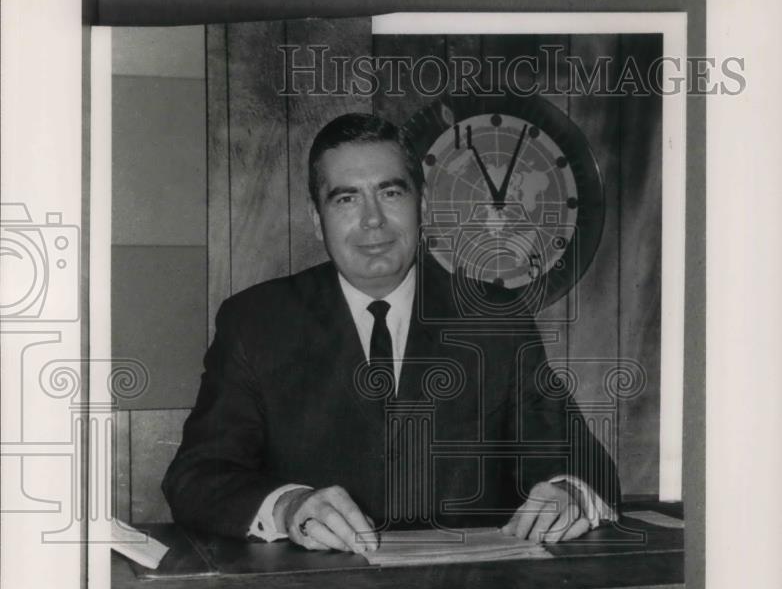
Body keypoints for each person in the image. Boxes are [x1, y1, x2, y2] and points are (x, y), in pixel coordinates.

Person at [162, 113, 618, 554]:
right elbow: (197, 475)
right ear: (317, 218)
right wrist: (288, 506)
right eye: (346, 199)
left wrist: (568, 492)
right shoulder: (255, 321)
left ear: (421, 203)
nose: (373, 219)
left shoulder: (495, 319)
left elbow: (586, 464)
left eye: (390, 193)